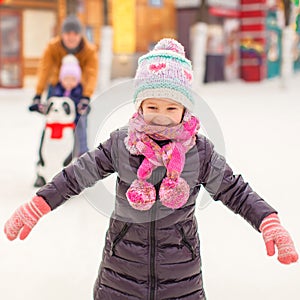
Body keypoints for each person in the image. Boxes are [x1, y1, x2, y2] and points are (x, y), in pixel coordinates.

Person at [4, 38, 298, 300]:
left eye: (171, 108)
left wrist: (267, 220)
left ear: (185, 109)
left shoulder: (200, 152)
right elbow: (76, 175)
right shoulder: (121, 144)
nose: (161, 117)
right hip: (119, 275)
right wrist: (39, 205)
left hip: (181, 279)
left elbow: (235, 191)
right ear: (139, 107)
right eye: (152, 107)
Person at [29, 15, 98, 186]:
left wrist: (86, 97)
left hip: (78, 92)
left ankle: (82, 169)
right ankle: (42, 167)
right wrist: (38, 94)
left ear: (80, 35)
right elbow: (44, 68)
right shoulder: (53, 47)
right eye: (68, 34)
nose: (71, 37)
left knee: (80, 127)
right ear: (62, 35)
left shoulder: (88, 50)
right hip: (57, 89)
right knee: (51, 127)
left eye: (75, 34)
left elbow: (91, 73)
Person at [49, 54, 88, 157]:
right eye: (66, 79)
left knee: (81, 126)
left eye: (73, 80)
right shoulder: (57, 89)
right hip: (60, 121)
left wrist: (82, 107)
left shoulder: (79, 90)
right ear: (61, 79)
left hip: (75, 119)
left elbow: (85, 103)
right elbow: (53, 101)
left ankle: (81, 150)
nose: (69, 83)